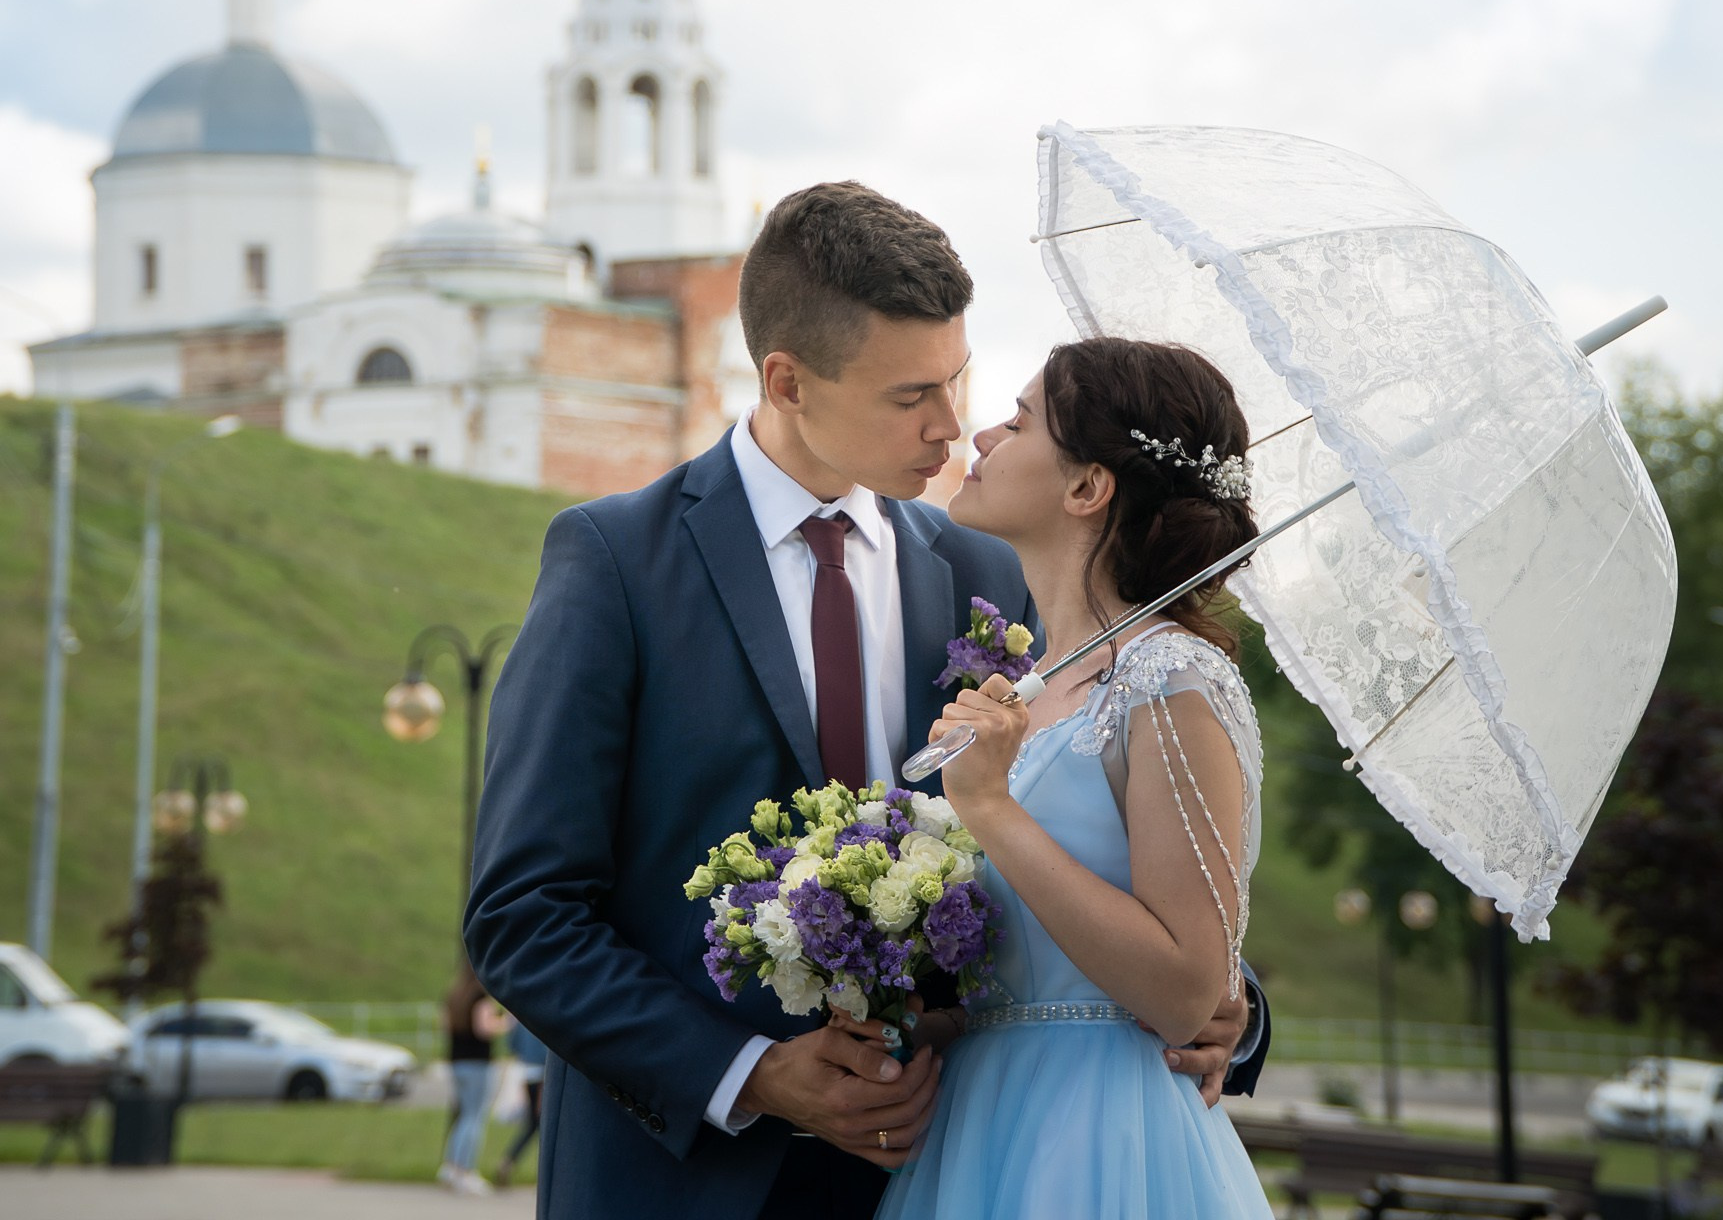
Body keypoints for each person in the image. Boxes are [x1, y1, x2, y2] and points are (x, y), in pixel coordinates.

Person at [465, 184, 1271, 1220]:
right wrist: (749, 1071)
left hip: (951, 1166)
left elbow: (1133, 842)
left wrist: (1228, 1007)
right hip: (681, 1184)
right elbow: (523, 914)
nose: (952, 427)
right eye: (908, 397)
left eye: (959, 381)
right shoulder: (616, 561)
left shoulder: (997, 570)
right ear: (787, 380)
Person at [869, 338, 1275, 1217]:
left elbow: (1182, 990)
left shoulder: (1172, 678)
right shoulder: (1031, 681)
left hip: (1100, 1137)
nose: (981, 437)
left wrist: (987, 806)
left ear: (1088, 487)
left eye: (1017, 422)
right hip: (977, 1119)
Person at [439, 963, 508, 1196]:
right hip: (478, 1063)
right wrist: (505, 1022)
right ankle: (465, 1170)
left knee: (463, 1116)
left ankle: (450, 1166)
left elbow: (444, 1026)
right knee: (475, 1117)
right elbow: (483, 1029)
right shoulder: (480, 997)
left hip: (457, 1062)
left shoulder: (453, 997)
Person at [494, 1011, 550, 1188]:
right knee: (544, 1122)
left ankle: (508, 1161)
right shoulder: (544, 1012)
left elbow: (512, 1044)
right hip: (544, 1073)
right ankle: (547, 1172)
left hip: (526, 1071)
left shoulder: (520, 1012)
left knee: (533, 1123)